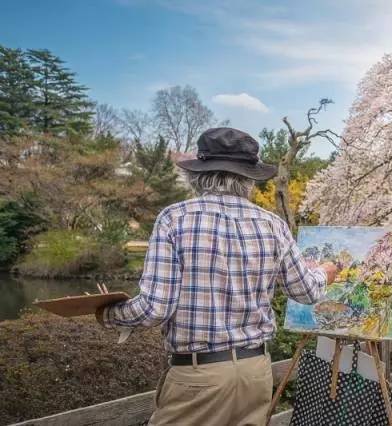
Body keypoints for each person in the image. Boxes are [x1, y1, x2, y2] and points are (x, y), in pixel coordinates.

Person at [96, 127, 337, 426]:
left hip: (200, 377)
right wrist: (325, 272)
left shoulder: (175, 218)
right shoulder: (273, 224)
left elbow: (154, 308)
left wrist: (107, 313)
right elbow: (307, 292)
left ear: (198, 174)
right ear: (249, 178)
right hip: (255, 372)